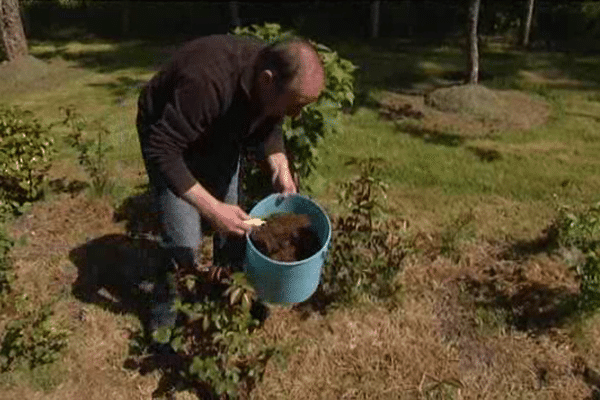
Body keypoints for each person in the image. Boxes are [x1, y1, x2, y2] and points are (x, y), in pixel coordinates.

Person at [135, 33, 326, 343]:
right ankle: (165, 323)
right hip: (167, 138)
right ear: (267, 80)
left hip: (217, 131)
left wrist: (280, 167)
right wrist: (211, 209)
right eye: (295, 104)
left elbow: (270, 121)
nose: (297, 114)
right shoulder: (207, 82)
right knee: (184, 240)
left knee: (234, 226)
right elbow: (163, 150)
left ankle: (231, 293)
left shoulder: (267, 80)